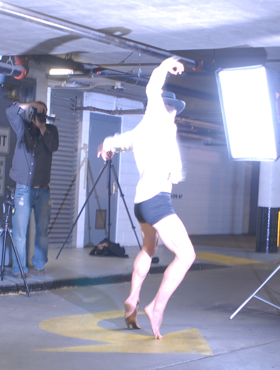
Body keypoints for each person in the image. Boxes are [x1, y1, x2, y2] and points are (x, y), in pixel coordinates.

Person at [97, 57, 196, 339]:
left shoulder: (143, 130)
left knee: (149, 250)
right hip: (156, 201)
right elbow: (153, 89)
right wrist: (167, 65)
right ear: (167, 109)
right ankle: (156, 307)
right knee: (187, 255)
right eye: (174, 110)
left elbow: (121, 142)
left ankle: (133, 298)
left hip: (143, 204)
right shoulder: (157, 117)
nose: (175, 115)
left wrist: (107, 145)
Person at [6, 100, 59, 277]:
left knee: (42, 230)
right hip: (23, 189)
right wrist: (30, 104)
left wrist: (43, 127)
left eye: (43, 113)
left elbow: (53, 147)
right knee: (20, 230)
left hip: (43, 190)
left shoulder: (51, 131)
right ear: (31, 113)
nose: (40, 116)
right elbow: (10, 112)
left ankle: (39, 265)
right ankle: (19, 268)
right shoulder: (23, 128)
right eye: (37, 113)